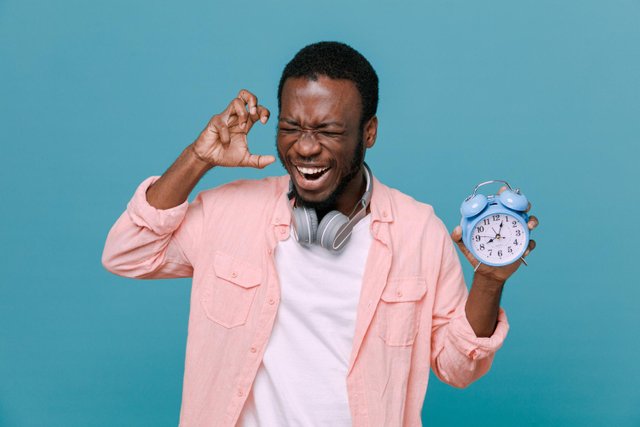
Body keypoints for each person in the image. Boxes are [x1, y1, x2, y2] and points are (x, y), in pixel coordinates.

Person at [102, 41, 538, 427]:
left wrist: (488, 281)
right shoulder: (228, 212)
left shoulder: (418, 230)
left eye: (327, 130)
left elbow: (458, 368)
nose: (305, 147)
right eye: (291, 127)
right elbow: (127, 252)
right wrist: (199, 158)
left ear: (369, 132)